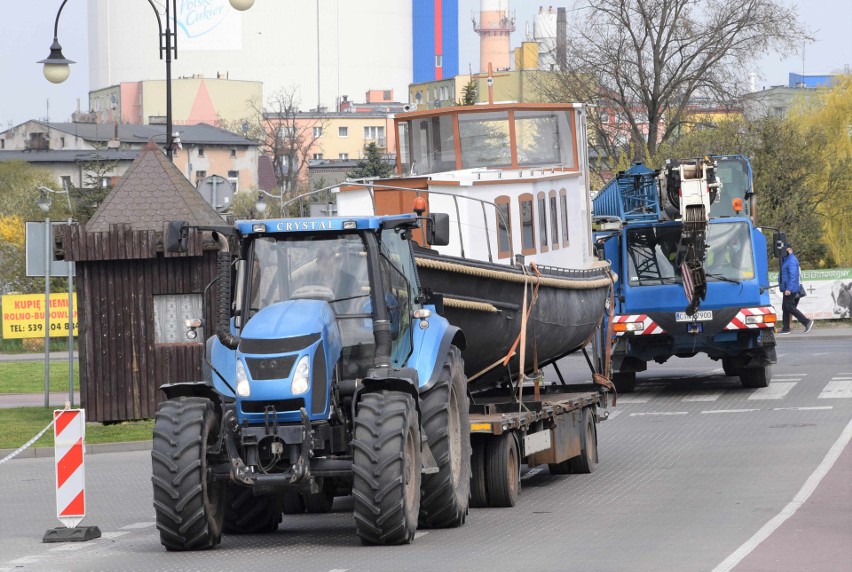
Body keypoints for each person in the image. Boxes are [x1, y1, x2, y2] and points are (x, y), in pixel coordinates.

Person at [778, 242, 813, 335]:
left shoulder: (792, 260)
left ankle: (806, 322)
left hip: (790, 289)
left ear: (789, 250)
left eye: (784, 250)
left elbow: (793, 276)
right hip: (787, 288)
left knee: (789, 307)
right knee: (785, 308)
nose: (782, 252)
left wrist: (789, 289)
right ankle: (786, 328)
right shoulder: (785, 260)